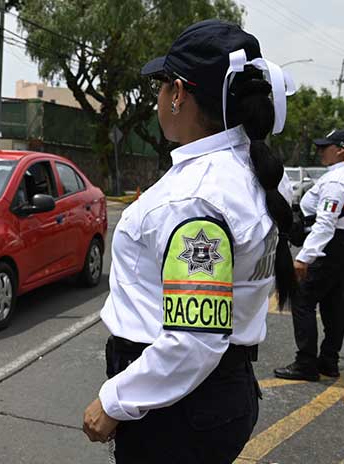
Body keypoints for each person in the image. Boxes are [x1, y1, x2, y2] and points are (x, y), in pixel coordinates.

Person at [82, 20, 296, 463]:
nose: (158, 98)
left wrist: (116, 399)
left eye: (161, 86)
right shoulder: (252, 173)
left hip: (179, 411)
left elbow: (195, 339)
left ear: (178, 93)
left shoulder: (195, 199)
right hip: (216, 396)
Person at [274, 130, 344, 381]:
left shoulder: (336, 181)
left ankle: (306, 363)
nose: (320, 151)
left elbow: (326, 222)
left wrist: (304, 257)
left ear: (340, 150)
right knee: (334, 303)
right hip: (339, 246)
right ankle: (329, 361)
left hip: (329, 244)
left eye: (326, 147)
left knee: (302, 299)